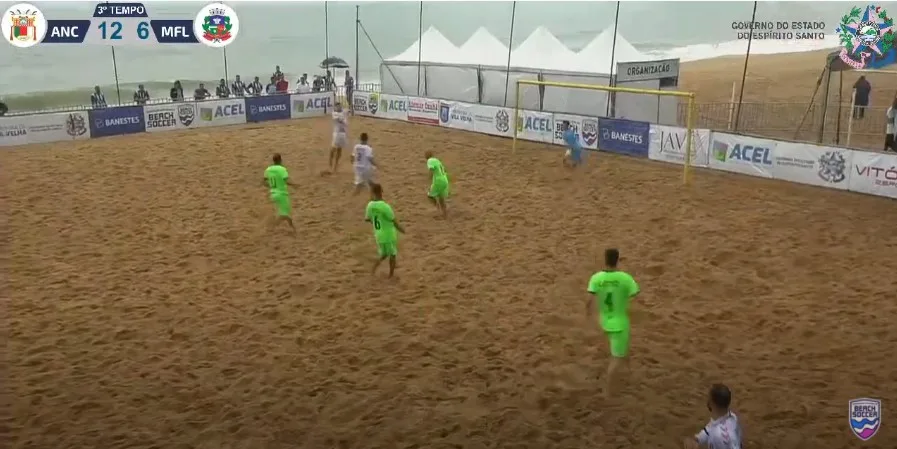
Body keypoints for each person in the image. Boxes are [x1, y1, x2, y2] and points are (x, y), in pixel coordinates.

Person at [586, 248, 640, 398]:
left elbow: (589, 301)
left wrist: (588, 315)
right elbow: (635, 295)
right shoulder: (625, 278)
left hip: (604, 321)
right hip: (620, 324)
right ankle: (607, 390)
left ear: (605, 259)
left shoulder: (596, 278)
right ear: (618, 259)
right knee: (616, 358)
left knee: (622, 348)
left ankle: (630, 373)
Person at [364, 183, 405, 278]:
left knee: (384, 254)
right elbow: (394, 222)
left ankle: (373, 269)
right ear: (382, 192)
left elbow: (367, 219)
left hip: (378, 234)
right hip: (388, 234)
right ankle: (391, 275)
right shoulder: (385, 207)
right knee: (392, 254)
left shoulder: (370, 205)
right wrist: (402, 230)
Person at [683, 384, 742, 449]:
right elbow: (710, 428)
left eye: (709, 398)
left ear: (712, 403)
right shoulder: (731, 417)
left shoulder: (718, 436)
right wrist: (697, 439)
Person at [263, 153, 297, 233]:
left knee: (282, 213)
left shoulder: (268, 169)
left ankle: (292, 228)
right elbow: (287, 181)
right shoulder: (282, 169)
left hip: (272, 194)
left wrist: (271, 186)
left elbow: (264, 182)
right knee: (284, 215)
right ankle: (272, 228)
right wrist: (295, 185)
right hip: (282, 195)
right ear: (280, 160)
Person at [425, 151, 450, 218]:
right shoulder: (437, 160)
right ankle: (444, 214)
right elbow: (444, 169)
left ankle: (438, 209)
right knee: (441, 198)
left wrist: (429, 179)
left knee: (430, 196)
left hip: (438, 181)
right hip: (445, 179)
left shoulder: (430, 160)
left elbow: (431, 169)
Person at [330, 103, 349, 173]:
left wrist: (346, 112)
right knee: (333, 148)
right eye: (337, 107)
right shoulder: (334, 114)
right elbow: (340, 119)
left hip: (343, 133)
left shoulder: (343, 111)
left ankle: (335, 165)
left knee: (339, 150)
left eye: (339, 106)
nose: (338, 108)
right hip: (337, 133)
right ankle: (330, 160)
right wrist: (344, 114)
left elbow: (348, 110)